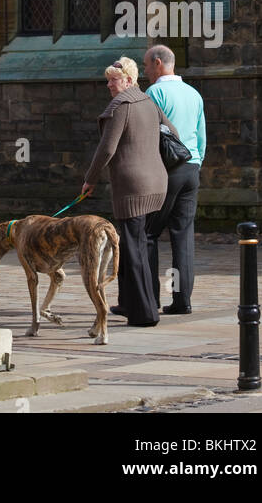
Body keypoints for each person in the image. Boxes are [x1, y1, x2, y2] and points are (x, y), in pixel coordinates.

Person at [81, 58, 181, 327]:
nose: (109, 84)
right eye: (108, 79)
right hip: (157, 184)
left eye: (114, 79)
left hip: (133, 187)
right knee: (138, 246)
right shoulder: (149, 102)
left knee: (134, 249)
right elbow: (173, 134)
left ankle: (144, 314)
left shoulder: (122, 106)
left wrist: (89, 180)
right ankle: (144, 307)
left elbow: (107, 149)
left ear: (129, 80)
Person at [143, 43, 206, 315]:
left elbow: (148, 136)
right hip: (191, 167)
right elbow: (201, 136)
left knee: (147, 233)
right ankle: (182, 301)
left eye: (146, 65)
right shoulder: (194, 93)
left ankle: (150, 300)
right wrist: (197, 161)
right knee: (183, 236)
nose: (145, 71)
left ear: (158, 63)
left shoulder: (154, 92)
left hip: (167, 170)